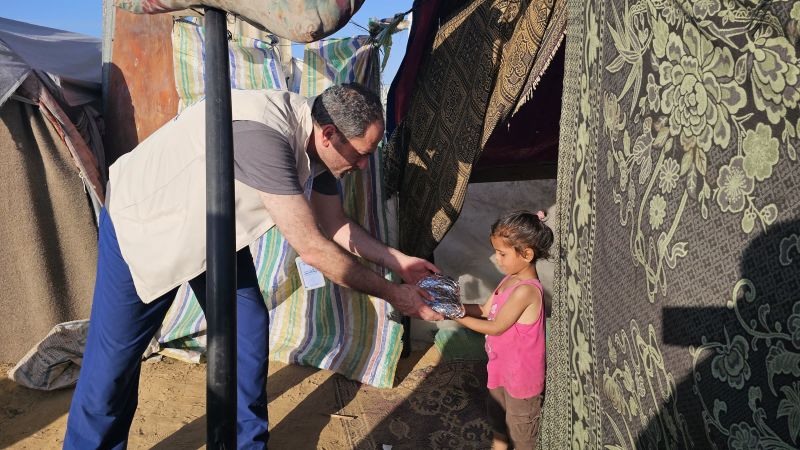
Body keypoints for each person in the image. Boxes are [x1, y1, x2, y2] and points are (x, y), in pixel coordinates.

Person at [63, 83, 443, 449]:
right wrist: (395, 295)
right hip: (144, 223)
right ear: (329, 134)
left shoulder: (322, 148)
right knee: (113, 365)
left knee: (246, 330)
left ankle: (246, 444)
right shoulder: (264, 137)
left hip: (211, 230)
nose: (362, 165)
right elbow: (314, 249)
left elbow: (335, 223)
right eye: (360, 154)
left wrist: (399, 262)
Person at [452, 210, 553, 450]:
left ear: (527, 254)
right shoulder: (509, 279)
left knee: (521, 435)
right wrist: (455, 306)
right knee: (498, 421)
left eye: (502, 253)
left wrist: (454, 315)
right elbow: (486, 310)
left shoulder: (527, 291)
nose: (496, 258)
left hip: (522, 380)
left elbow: (496, 327)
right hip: (500, 370)